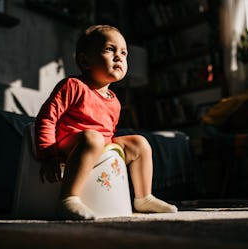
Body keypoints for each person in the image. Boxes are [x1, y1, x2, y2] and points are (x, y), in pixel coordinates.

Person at [34, 25, 177, 220]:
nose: (119, 56)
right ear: (85, 61)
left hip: (100, 146)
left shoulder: (114, 100)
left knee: (140, 142)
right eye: (110, 49)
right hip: (69, 147)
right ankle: (68, 198)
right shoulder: (73, 86)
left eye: (124, 53)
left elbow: (108, 135)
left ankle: (143, 197)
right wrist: (48, 155)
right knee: (93, 138)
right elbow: (46, 118)